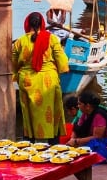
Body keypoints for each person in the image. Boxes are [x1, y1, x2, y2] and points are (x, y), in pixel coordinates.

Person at [12, 12, 69, 143]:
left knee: (29, 114)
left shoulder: (20, 41)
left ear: (27, 24)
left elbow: (13, 62)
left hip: (27, 81)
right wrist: (63, 68)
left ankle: (29, 143)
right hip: (49, 79)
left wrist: (15, 74)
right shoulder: (52, 39)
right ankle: (53, 143)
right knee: (53, 112)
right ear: (42, 24)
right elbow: (62, 60)